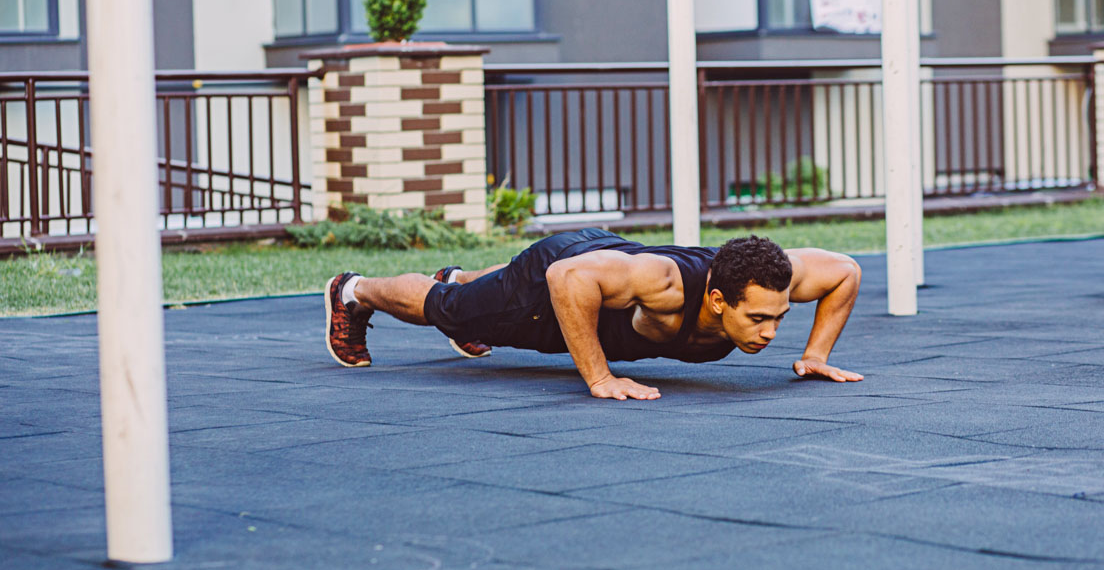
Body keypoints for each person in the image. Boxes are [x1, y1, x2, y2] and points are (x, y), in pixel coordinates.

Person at [324, 228, 863, 400]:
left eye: (779, 319)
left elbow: (845, 270)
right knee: (455, 312)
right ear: (718, 301)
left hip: (607, 267)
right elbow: (568, 278)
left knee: (488, 293)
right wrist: (599, 376)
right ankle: (354, 291)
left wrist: (815, 355)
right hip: (560, 275)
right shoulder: (671, 286)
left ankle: (466, 278)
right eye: (758, 321)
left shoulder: (769, 277)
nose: (770, 332)